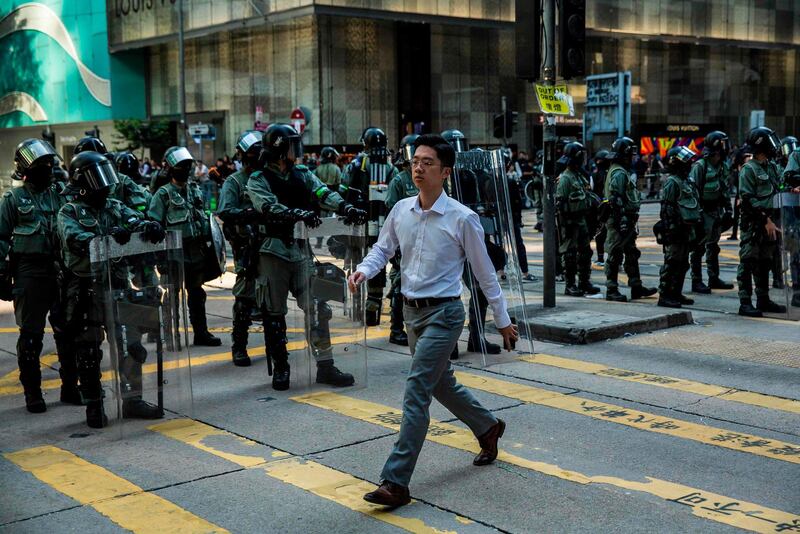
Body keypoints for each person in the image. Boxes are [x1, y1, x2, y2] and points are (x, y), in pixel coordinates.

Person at [348, 134, 519, 507]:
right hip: (411, 312)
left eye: (427, 162)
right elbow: (383, 249)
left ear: (445, 172)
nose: (418, 167)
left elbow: (485, 274)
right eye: (415, 161)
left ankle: (395, 482)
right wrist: (363, 270)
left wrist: (503, 321)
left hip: (444, 314)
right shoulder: (401, 210)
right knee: (441, 384)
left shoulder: (463, 218)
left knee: (416, 393)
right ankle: (487, 426)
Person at [246, 123, 367, 391]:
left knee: (318, 308)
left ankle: (325, 366)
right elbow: (266, 205)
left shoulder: (302, 173)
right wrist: (294, 213)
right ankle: (281, 368)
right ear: (279, 148)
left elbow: (322, 192)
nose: (296, 150)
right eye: (291, 144)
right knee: (273, 314)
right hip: (273, 252)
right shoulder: (258, 179)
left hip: (301, 252)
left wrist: (345, 206)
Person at [58, 151, 166, 427]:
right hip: (87, 288)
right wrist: (104, 239)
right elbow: (75, 239)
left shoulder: (114, 206)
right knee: (89, 350)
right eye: (97, 178)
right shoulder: (69, 211)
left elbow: (133, 219)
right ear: (82, 182)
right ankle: (94, 405)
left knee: (131, 345)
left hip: (117, 285)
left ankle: (133, 400)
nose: (104, 185)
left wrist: (148, 226)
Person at [0, 139, 78, 413]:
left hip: (61, 269)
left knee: (67, 332)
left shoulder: (60, 194)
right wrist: (1, 277)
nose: (48, 168)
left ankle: (71, 386)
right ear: (25, 168)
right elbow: (0, 239)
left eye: (49, 163)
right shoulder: (13, 199)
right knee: (31, 337)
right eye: (40, 165)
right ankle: (33, 393)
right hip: (29, 272)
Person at [147, 146, 222, 346]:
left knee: (197, 293)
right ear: (171, 168)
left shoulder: (194, 189)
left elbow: (205, 218)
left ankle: (201, 333)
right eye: (181, 166)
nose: (186, 169)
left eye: (188, 165)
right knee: (172, 295)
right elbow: (154, 223)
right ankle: (172, 336)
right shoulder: (163, 194)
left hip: (196, 251)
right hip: (173, 253)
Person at [441, 129, 502, 357]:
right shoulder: (439, 174)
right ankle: (450, 342)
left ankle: (477, 337)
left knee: (479, 290)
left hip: (473, 238)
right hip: (448, 242)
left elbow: (481, 205)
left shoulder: (470, 174)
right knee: (449, 293)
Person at [341, 127, 399, 326]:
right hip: (381, 222)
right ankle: (372, 307)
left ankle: (356, 304)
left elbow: (344, 189)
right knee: (378, 262)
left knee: (355, 261)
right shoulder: (390, 167)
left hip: (358, 223)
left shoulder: (356, 165)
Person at [217, 131, 264, 367]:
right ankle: (239, 345)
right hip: (246, 246)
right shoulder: (234, 182)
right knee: (245, 296)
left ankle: (277, 340)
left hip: (269, 243)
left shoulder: (268, 177)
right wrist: (249, 215)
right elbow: (225, 211)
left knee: (271, 294)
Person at [737, 127, 786, 317]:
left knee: (764, 262)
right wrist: (765, 219)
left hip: (771, 223)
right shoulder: (749, 169)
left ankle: (763, 299)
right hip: (754, 224)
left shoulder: (771, 166)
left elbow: (779, 187)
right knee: (748, 262)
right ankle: (745, 302)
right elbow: (747, 200)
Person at [603, 137, 657, 301]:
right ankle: (612, 289)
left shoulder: (620, 170)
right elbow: (616, 200)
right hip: (620, 221)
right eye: (630, 155)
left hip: (626, 221)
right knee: (615, 255)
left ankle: (636, 286)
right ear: (623, 155)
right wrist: (623, 221)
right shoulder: (619, 173)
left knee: (631, 254)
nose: (633, 158)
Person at [383, 134, 421, 346]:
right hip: (403, 242)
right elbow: (392, 213)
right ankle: (395, 329)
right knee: (399, 285)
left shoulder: (424, 177)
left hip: (423, 241)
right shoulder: (399, 180)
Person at [689, 131, 735, 293]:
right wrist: (697, 215)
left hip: (716, 211)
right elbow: (693, 191)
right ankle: (696, 281)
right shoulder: (701, 166)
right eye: (723, 143)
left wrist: (728, 210)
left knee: (713, 246)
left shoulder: (722, 165)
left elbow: (724, 189)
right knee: (698, 247)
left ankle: (713, 278)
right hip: (704, 211)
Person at [657, 146, 702, 308]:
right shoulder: (672, 182)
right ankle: (665, 295)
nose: (690, 164)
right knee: (672, 262)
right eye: (686, 161)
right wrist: (671, 230)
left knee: (683, 263)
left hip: (686, 229)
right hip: (675, 230)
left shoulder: (687, 180)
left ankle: (676, 292)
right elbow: (667, 209)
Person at [555, 142, 601, 296]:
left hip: (582, 221)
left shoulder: (579, 176)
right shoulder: (565, 179)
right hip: (570, 223)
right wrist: (565, 223)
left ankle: (584, 282)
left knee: (586, 252)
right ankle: (570, 285)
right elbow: (560, 204)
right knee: (569, 254)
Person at [591, 149, 610, 266]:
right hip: (611, 207)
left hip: (599, 208)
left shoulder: (594, 175)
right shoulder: (612, 174)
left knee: (599, 234)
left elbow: (591, 192)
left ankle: (600, 258)